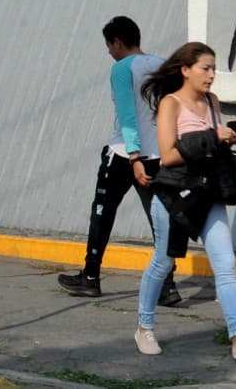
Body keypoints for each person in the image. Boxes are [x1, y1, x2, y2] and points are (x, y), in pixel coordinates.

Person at [135, 41, 236, 359]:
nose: (212, 75)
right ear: (186, 70)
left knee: (225, 264)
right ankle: (144, 328)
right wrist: (212, 136)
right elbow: (168, 156)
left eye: (214, 69)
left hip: (208, 192)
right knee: (163, 262)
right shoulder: (170, 103)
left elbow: (208, 148)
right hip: (175, 196)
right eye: (205, 68)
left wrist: (229, 140)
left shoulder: (212, 102)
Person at [58, 17, 180, 306]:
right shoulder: (164, 65)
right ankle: (167, 287)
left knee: (102, 213)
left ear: (118, 42)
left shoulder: (122, 68)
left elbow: (127, 116)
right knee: (160, 221)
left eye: (109, 45)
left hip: (125, 155)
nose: (109, 51)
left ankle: (90, 277)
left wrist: (134, 156)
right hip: (159, 156)